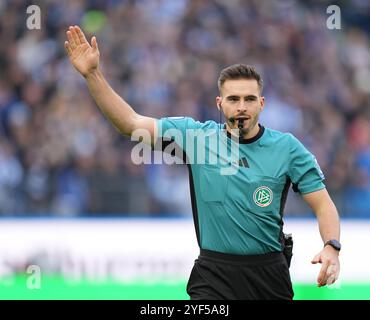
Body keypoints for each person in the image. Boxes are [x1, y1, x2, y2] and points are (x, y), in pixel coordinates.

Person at [64, 25, 341, 300]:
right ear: (220, 103)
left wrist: (331, 246)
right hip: (214, 276)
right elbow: (130, 123)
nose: (241, 106)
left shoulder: (288, 148)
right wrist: (92, 75)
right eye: (233, 99)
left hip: (268, 276)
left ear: (262, 104)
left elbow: (323, 204)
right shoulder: (196, 138)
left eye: (249, 99)